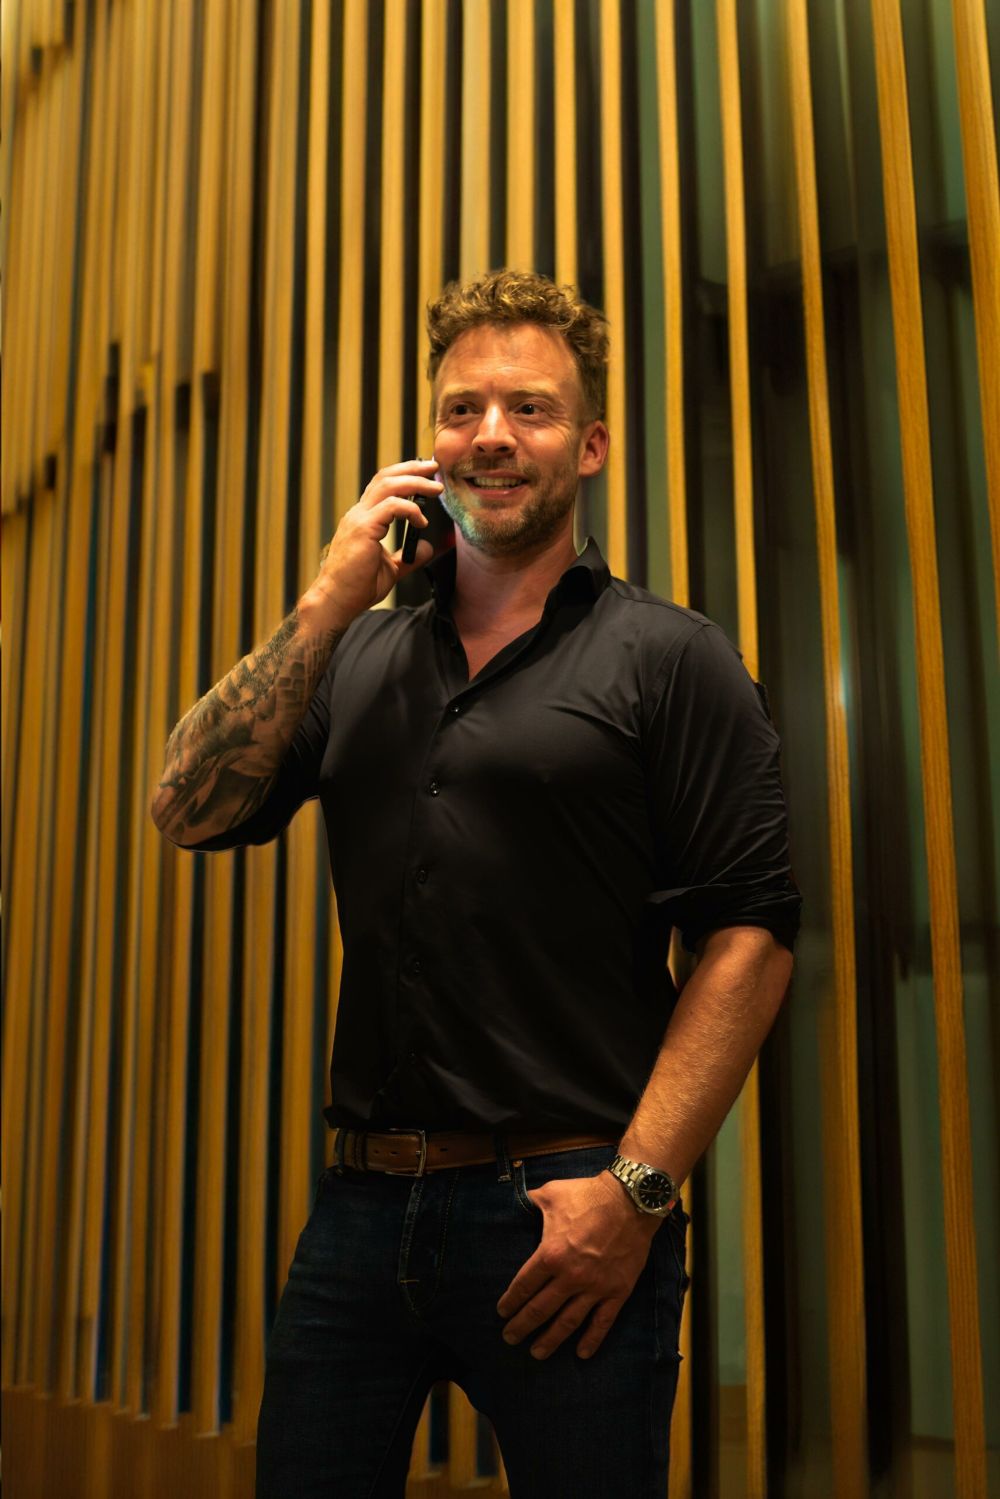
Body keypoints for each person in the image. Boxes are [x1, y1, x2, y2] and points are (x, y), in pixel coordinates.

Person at [152, 268, 800, 1497]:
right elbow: (188, 809)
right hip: (358, 1209)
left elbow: (751, 937)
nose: (490, 434)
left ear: (589, 445)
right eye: (461, 409)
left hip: (566, 1208)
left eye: (529, 408)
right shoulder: (357, 652)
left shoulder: (672, 657)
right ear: (429, 443)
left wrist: (636, 1192)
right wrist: (327, 599)